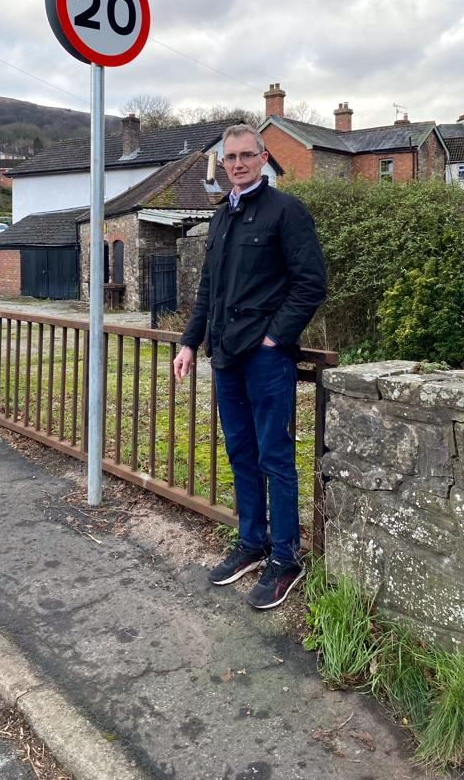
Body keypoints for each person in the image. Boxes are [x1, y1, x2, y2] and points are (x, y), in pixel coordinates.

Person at [173, 124, 326, 609]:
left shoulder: (286, 210)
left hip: (265, 358)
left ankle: (286, 557)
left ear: (263, 157)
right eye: (230, 157)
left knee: (274, 456)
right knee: (240, 452)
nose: (237, 164)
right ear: (222, 163)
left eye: (246, 155)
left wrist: (274, 338)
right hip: (225, 355)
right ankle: (252, 542)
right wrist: (189, 342)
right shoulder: (222, 216)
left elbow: (311, 284)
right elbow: (208, 290)